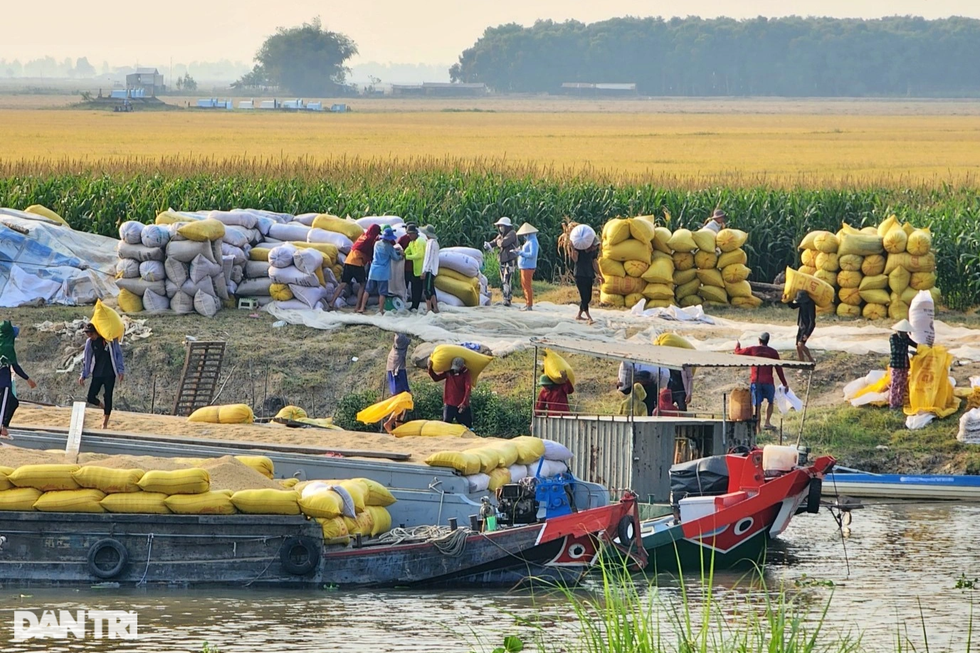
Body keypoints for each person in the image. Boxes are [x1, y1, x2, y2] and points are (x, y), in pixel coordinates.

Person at [734, 332, 789, 431]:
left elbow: (738, 352)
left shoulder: (753, 349)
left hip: (756, 381)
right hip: (768, 381)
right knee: (770, 402)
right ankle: (767, 422)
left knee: (757, 404)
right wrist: (784, 383)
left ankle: (758, 427)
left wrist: (737, 345)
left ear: (759, 340)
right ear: (768, 341)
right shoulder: (773, 352)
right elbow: (778, 369)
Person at [79, 323, 124, 430]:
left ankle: (105, 422)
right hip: (97, 374)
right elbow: (87, 358)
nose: (89, 336)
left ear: (95, 332)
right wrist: (83, 375)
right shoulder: (90, 343)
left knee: (108, 396)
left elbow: (118, 354)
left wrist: (121, 370)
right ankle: (102, 406)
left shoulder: (109, 340)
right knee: (90, 397)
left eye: (90, 333)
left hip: (110, 373)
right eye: (87, 334)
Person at [331, 224, 381, 308]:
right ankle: (358, 306)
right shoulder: (370, 240)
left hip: (348, 261)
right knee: (362, 284)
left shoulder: (362, 237)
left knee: (342, 284)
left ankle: (331, 302)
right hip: (357, 263)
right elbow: (371, 253)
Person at [0, 321, 37, 438]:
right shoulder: (8, 348)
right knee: (8, 404)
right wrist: (28, 379)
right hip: (3, 383)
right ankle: (3, 428)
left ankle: (3, 428)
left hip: (3, 381)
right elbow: (15, 366)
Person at [359, 228, 402, 315]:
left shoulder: (377, 244)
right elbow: (395, 258)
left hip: (374, 269)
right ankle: (381, 310)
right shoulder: (389, 247)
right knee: (382, 292)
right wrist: (401, 255)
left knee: (367, 290)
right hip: (383, 272)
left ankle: (362, 307)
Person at [428, 357, 472, 427]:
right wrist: (430, 369)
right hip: (449, 404)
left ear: (461, 367)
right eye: (454, 368)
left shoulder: (465, 373)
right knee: (446, 425)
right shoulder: (449, 372)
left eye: (457, 369)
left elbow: (468, 388)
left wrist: (464, 403)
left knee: (467, 426)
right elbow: (436, 378)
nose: (455, 370)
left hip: (461, 405)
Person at [484, 217, 519, 306]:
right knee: (503, 280)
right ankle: (505, 298)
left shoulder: (512, 234)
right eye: (499, 226)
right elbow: (495, 242)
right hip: (502, 260)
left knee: (507, 279)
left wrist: (499, 242)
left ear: (507, 226)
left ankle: (507, 298)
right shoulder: (501, 236)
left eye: (502, 226)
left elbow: (503, 243)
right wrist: (488, 244)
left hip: (510, 260)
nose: (500, 228)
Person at [570, 237, 603, 324]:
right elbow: (575, 259)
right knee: (584, 297)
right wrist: (572, 248)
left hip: (589, 275)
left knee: (588, 297)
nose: (596, 247)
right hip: (579, 275)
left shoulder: (593, 252)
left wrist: (600, 274)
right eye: (595, 245)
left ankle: (579, 315)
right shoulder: (579, 249)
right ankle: (589, 317)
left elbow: (594, 263)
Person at [888, 319, 917, 410]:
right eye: (902, 332)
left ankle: (899, 402)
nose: (903, 334)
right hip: (896, 364)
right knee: (895, 384)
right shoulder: (893, 338)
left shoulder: (906, 338)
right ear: (898, 331)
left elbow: (915, 345)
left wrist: (924, 348)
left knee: (902, 384)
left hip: (904, 364)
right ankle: (893, 404)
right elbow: (895, 350)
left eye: (905, 332)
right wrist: (909, 352)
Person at [401, 224, 426, 311]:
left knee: (418, 289)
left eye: (410, 234)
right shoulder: (412, 243)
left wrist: (406, 257)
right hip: (415, 270)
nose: (409, 236)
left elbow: (420, 255)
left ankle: (416, 305)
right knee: (414, 288)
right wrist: (400, 253)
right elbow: (407, 251)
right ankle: (414, 305)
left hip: (421, 269)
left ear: (415, 233)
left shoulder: (420, 241)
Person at [787, 290, 816, 363]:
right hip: (801, 326)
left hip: (806, 328)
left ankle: (811, 360)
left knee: (801, 344)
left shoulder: (810, 304)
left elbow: (812, 321)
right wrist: (787, 300)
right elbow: (793, 306)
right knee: (797, 346)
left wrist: (807, 334)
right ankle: (802, 365)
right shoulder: (802, 302)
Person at [516, 223, 539, 311]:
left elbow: (532, 254)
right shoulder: (529, 241)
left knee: (527, 286)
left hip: (528, 266)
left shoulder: (533, 242)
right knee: (524, 285)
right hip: (525, 266)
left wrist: (521, 253)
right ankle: (527, 303)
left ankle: (529, 304)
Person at [420, 225, 440, 314]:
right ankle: (435, 308)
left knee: (427, 290)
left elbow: (429, 258)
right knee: (431, 289)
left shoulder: (431, 243)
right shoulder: (434, 242)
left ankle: (429, 309)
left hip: (429, 270)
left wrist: (424, 271)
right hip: (432, 270)